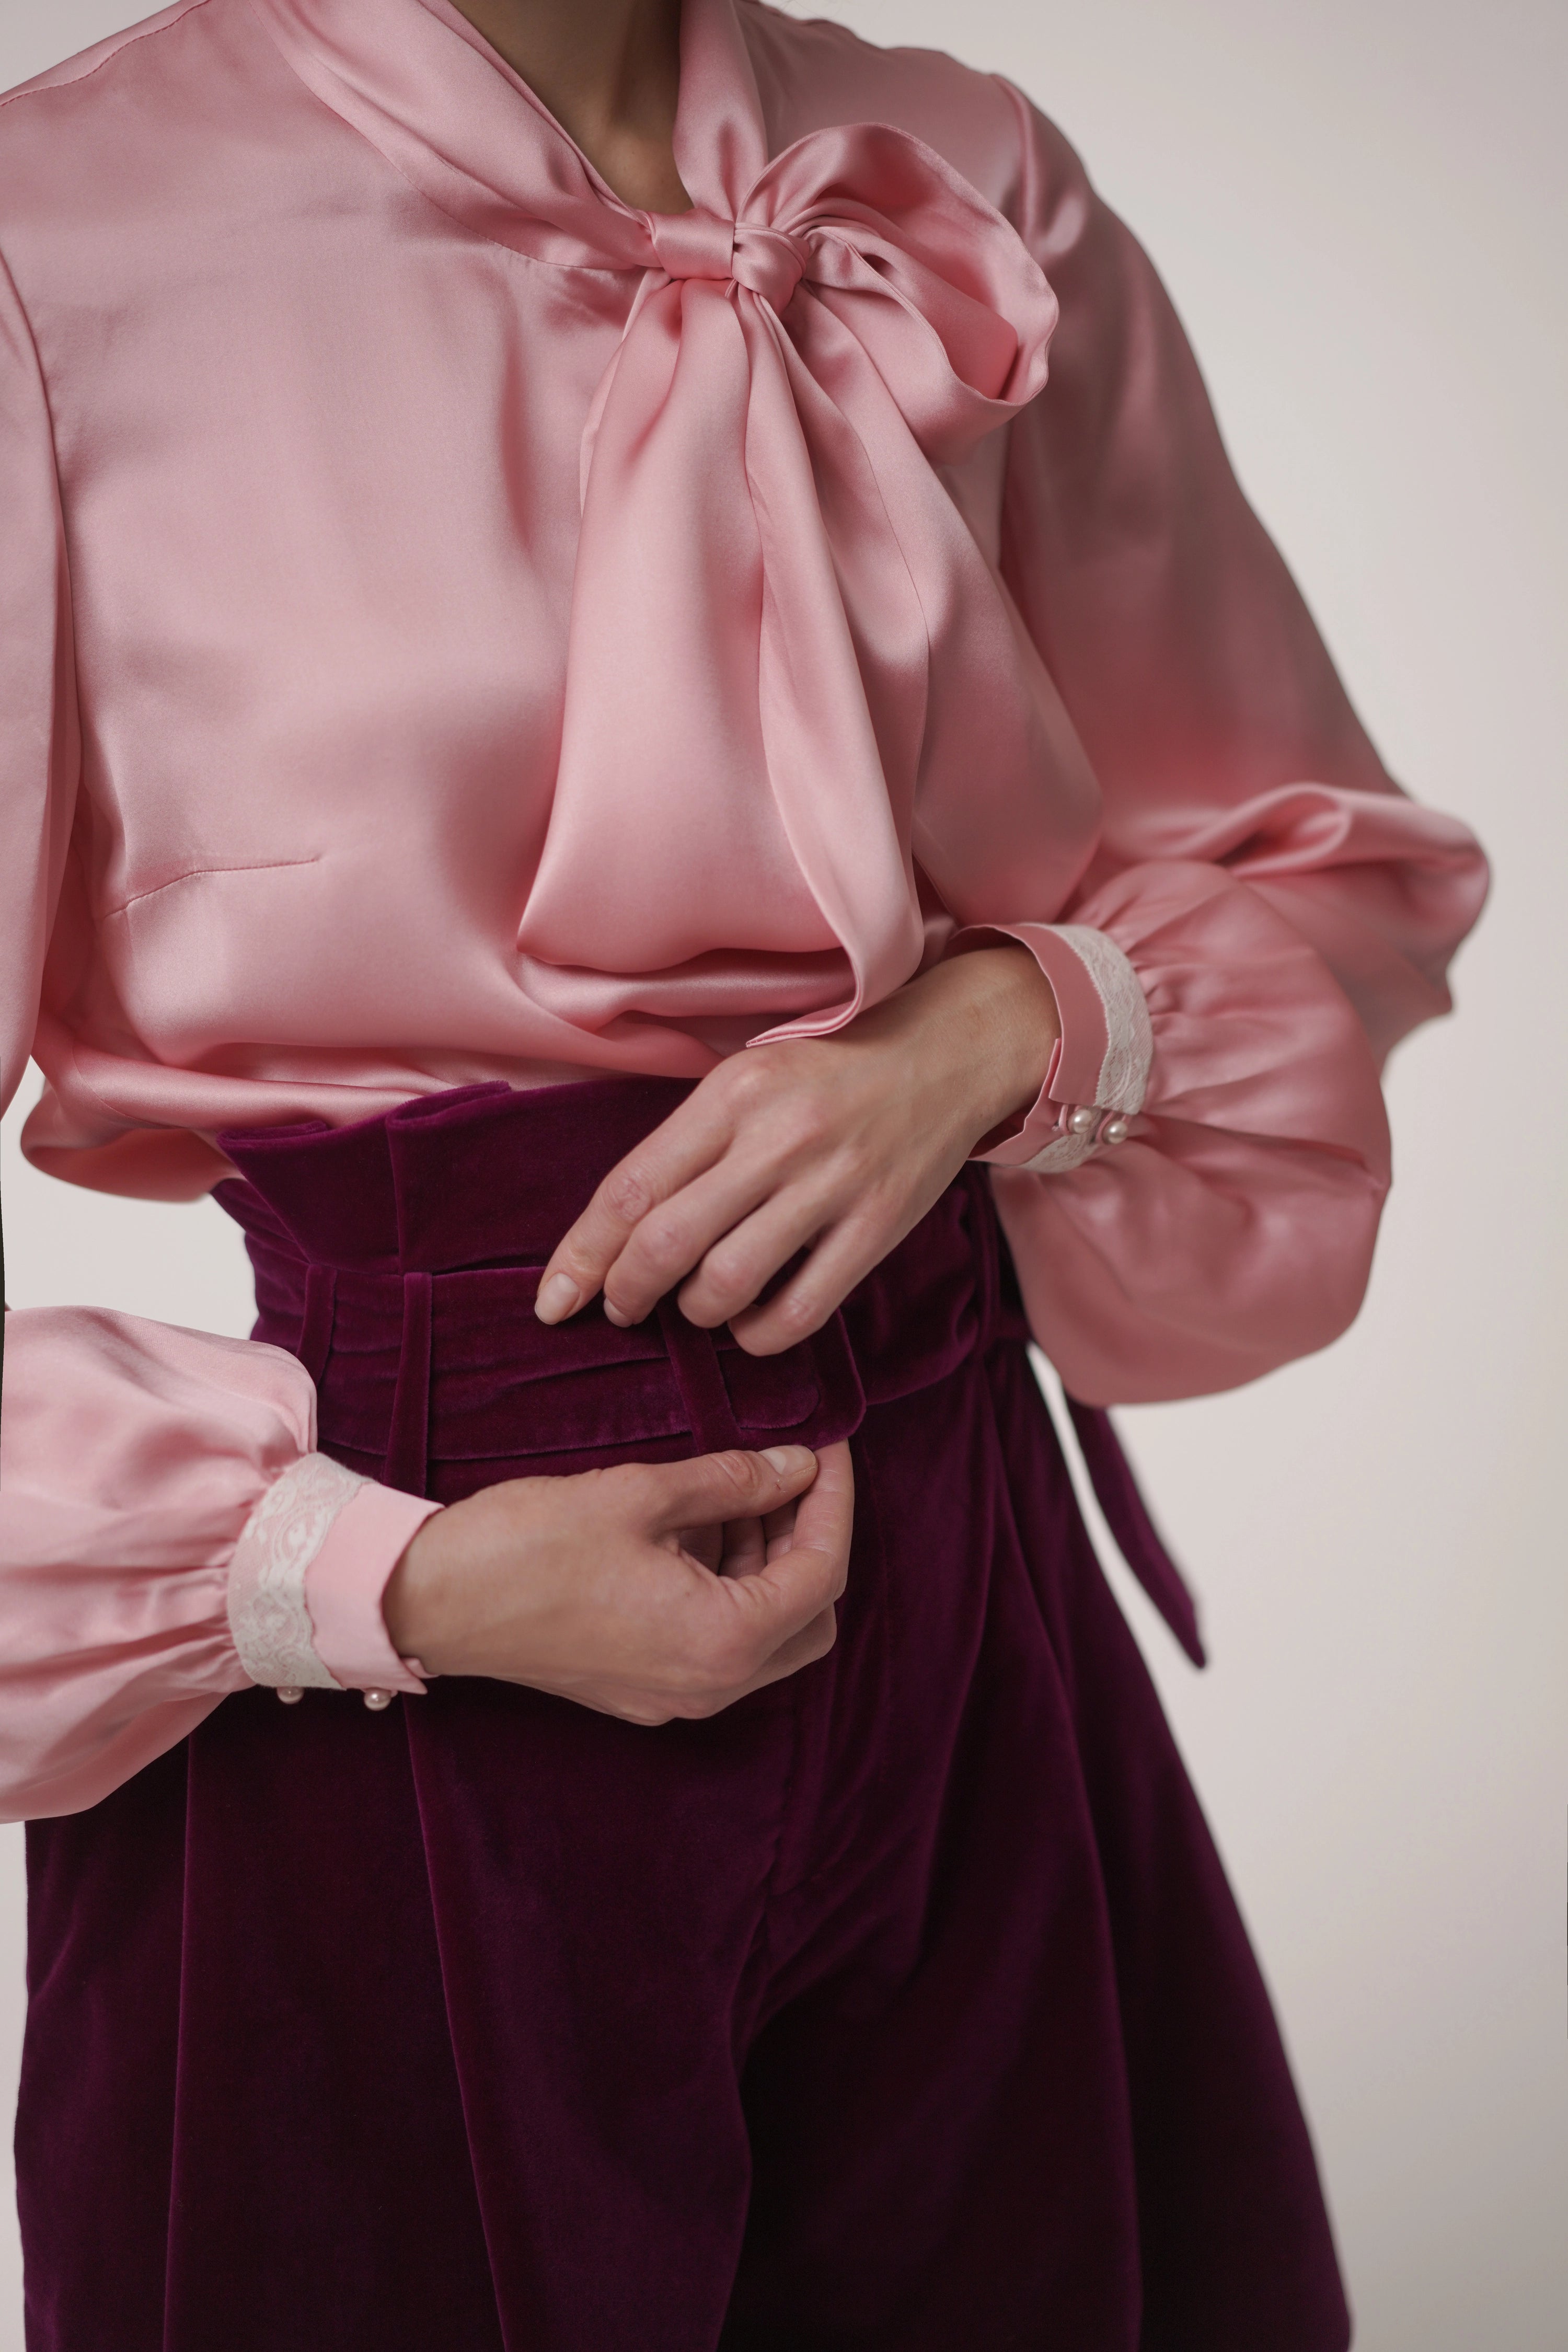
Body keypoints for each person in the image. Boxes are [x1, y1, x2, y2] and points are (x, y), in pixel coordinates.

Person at [0, 0, 1488, 2344]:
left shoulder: (969, 170)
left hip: (966, 1569)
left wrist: (1013, 1018)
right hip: (389, 1643)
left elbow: (1324, 866)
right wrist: (364, 1580)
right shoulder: (50, 231)